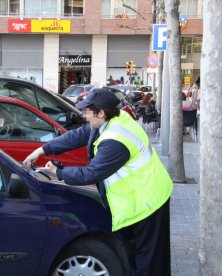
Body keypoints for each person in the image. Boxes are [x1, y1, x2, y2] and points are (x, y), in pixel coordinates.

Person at [22, 88, 173, 276]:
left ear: (101, 112)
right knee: (132, 257)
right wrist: (43, 150)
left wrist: (58, 172)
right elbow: (77, 135)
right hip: (133, 200)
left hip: (148, 201)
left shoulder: (115, 140)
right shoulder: (108, 122)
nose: (83, 115)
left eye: (87, 111)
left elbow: (91, 174)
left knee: (150, 262)